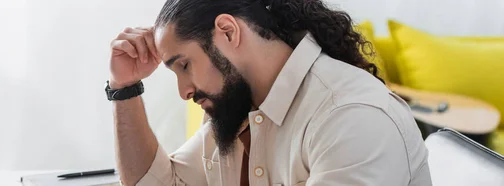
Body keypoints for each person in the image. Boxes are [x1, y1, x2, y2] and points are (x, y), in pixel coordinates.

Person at [107, 0, 432, 185]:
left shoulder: (350, 117)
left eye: (185, 66)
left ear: (228, 32)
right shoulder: (238, 111)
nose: (184, 91)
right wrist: (124, 88)